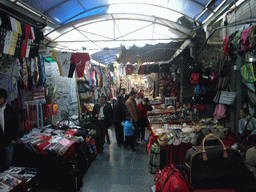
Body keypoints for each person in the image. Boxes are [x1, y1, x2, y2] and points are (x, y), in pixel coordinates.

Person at [0, 88, 19, 172]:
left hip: (8, 141)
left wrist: (14, 138)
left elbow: (15, 124)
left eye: (1, 97)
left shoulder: (10, 109)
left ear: (4, 98)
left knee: (8, 163)